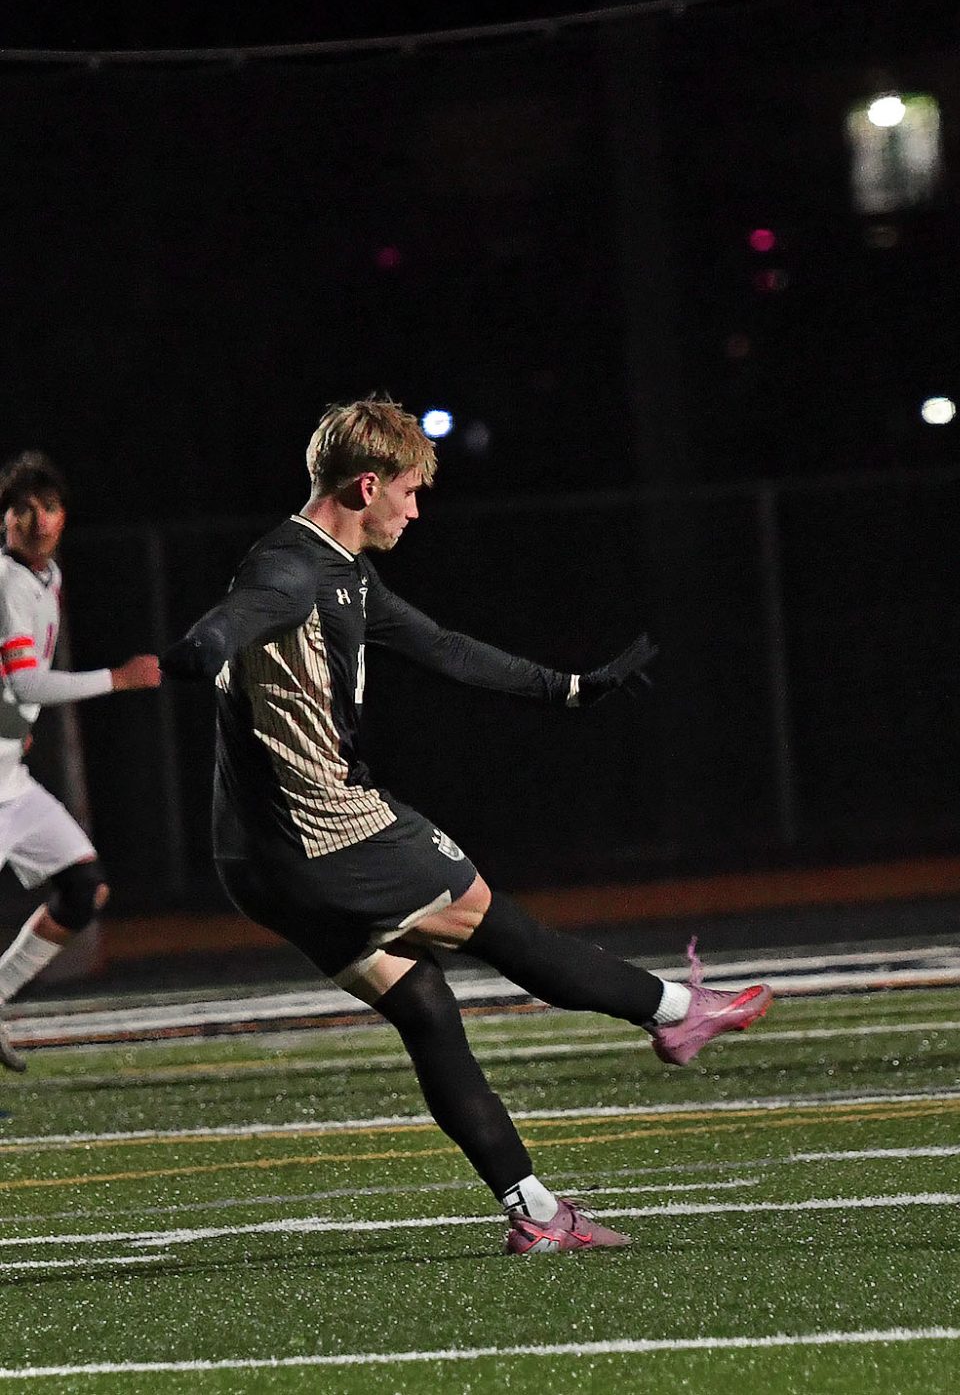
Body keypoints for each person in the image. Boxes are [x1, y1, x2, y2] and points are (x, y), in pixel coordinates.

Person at [163, 397, 771, 1255]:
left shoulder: (340, 570)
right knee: (510, 932)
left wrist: (567, 688)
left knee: (427, 1010)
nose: (415, 510)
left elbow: (443, 647)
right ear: (366, 486)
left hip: (256, 861)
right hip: (327, 833)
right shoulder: (292, 569)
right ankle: (675, 1009)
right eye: (409, 491)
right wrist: (202, 644)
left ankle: (536, 1210)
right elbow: (244, 614)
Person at [0, 452, 161, 1069]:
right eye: (23, 510)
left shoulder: (47, 578)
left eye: (49, 507)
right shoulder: (8, 581)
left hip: (10, 780)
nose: (37, 521)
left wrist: (16, 729)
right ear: (5, 520)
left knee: (83, 887)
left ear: (64, 517)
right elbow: (26, 681)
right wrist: (118, 679)